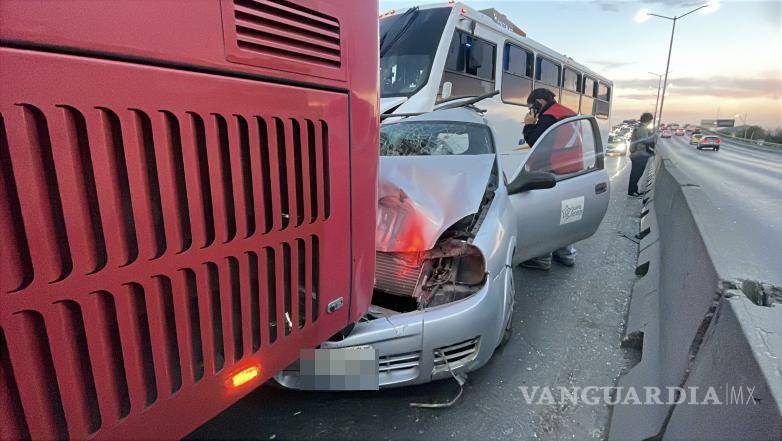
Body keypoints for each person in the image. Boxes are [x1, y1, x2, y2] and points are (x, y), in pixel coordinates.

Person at [519, 88, 579, 271]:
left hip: (554, 170)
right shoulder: (568, 113)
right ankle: (566, 253)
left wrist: (529, 125)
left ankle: (540, 257)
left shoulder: (549, 116)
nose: (533, 112)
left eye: (532, 107)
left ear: (539, 102)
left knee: (545, 214)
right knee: (565, 214)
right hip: (574, 168)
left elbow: (536, 142)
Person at [627, 112, 656, 196]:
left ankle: (633, 191)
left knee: (635, 174)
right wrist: (654, 136)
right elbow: (645, 140)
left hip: (637, 153)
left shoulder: (639, 127)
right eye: (650, 120)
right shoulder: (642, 128)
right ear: (648, 120)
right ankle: (632, 191)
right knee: (637, 174)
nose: (651, 122)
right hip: (639, 154)